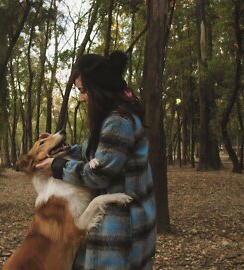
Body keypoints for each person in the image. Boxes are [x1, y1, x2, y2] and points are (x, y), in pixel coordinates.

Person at [36, 51, 156, 269]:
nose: (82, 98)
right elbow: (95, 151)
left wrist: (58, 166)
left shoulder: (118, 121)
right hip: (114, 223)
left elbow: (98, 174)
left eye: (83, 90)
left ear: (98, 88)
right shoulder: (111, 117)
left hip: (120, 228)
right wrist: (64, 150)